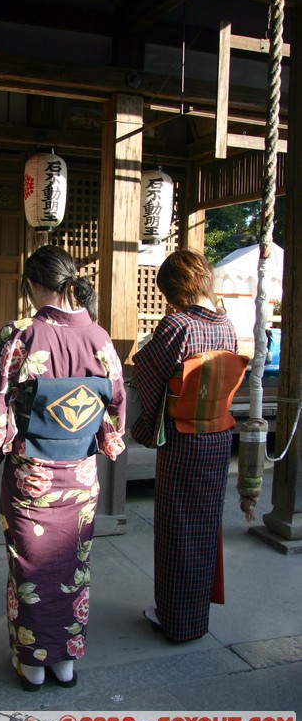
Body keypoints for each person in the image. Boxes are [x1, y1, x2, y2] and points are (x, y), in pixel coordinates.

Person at [0, 245, 126, 690]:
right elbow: (115, 403)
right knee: (73, 564)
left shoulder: (21, 335)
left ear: (32, 285)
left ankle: (33, 663)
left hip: (33, 474)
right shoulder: (99, 336)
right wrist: (102, 437)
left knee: (31, 564)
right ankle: (65, 662)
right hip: (80, 473)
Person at [131, 249, 248, 643]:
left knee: (176, 528)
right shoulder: (227, 326)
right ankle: (196, 617)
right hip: (218, 437)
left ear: (174, 290)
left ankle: (174, 619)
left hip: (184, 438)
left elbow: (146, 368)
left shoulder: (177, 326)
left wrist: (146, 427)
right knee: (203, 526)